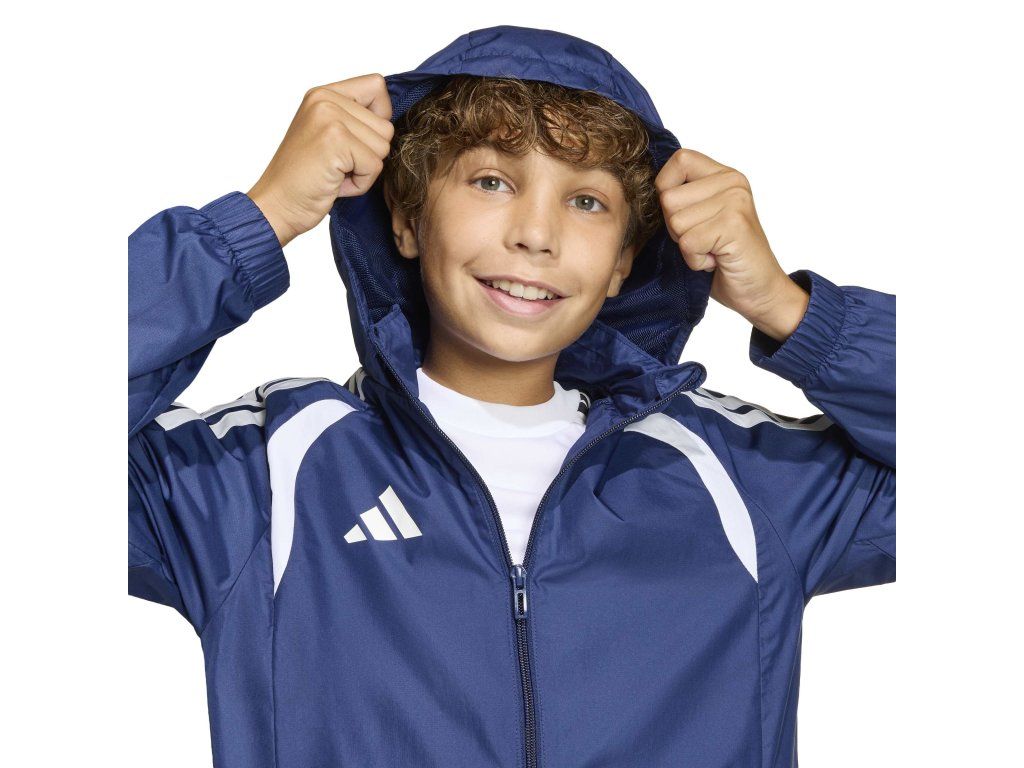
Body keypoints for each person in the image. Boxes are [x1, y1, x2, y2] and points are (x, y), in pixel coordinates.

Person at [128, 24, 895, 768]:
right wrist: (258, 222)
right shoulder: (263, 477)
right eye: (492, 181)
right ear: (407, 218)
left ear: (624, 262)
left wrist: (791, 310)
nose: (536, 234)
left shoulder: (740, 479)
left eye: (586, 201)